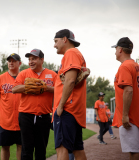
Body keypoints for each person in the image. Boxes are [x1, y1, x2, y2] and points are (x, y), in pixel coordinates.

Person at [12, 49, 57, 160]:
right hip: (26, 115)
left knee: (41, 150)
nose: (31, 61)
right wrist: (27, 87)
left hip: (44, 116)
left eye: (34, 59)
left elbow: (60, 90)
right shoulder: (23, 73)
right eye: (29, 59)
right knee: (26, 150)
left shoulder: (52, 74)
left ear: (42, 60)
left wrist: (46, 88)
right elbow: (14, 89)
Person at [53, 29, 87, 160]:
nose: (54, 45)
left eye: (56, 41)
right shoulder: (76, 53)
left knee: (62, 149)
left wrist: (61, 105)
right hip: (74, 109)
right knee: (77, 150)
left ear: (65, 39)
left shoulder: (71, 53)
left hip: (67, 108)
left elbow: (71, 80)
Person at [112, 37, 139, 160]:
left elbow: (128, 90)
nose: (115, 51)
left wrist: (125, 115)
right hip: (137, 115)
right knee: (135, 150)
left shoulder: (125, 66)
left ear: (120, 50)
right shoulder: (136, 66)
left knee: (134, 151)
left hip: (130, 117)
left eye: (116, 48)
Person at [0, 53, 22, 160]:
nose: (11, 63)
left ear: (20, 63)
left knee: (21, 146)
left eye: (14, 61)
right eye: (9, 61)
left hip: (21, 120)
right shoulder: (0, 78)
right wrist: (4, 105)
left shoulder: (25, 77)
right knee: (5, 147)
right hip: (5, 120)